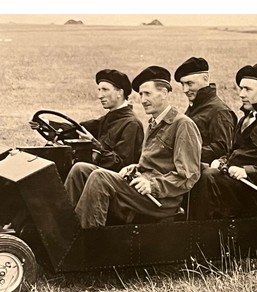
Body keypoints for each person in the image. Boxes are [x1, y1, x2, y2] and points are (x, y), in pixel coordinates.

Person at [64, 65, 202, 229]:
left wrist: (152, 185)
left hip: (160, 201)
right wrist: (135, 167)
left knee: (99, 177)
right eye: (141, 94)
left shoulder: (183, 125)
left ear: (164, 93)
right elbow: (156, 163)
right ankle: (62, 228)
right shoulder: (153, 123)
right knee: (80, 170)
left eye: (147, 94)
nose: (142, 100)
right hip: (143, 191)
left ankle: (88, 242)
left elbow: (188, 176)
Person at [189, 63, 257, 220]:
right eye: (241, 88)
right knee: (196, 170)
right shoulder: (245, 120)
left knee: (207, 177)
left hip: (255, 192)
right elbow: (233, 151)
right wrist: (221, 160)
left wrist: (247, 171)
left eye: (247, 89)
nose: (241, 94)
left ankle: (200, 233)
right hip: (233, 184)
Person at [31, 69, 144, 171]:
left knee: (75, 168)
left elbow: (120, 164)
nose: (100, 95)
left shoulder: (131, 124)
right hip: (97, 173)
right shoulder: (109, 118)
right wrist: (47, 124)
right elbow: (77, 129)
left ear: (120, 92)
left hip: (110, 181)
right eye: (99, 90)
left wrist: (93, 143)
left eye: (105, 90)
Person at [174, 57, 236, 165]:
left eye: (189, 83)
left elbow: (222, 149)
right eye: (182, 84)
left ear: (205, 78)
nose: (185, 90)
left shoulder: (219, 112)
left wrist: (184, 154)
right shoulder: (196, 106)